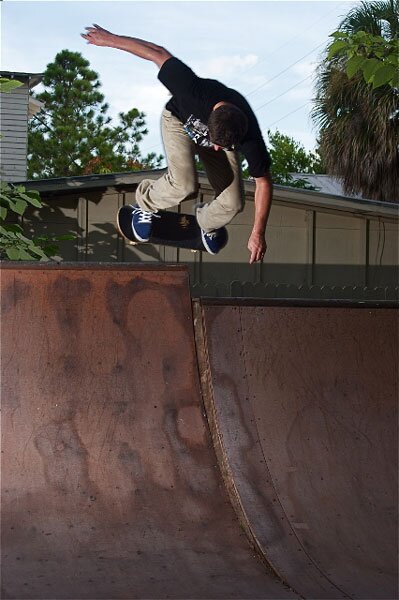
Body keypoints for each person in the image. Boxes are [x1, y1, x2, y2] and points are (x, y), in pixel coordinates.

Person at [82, 24, 273, 263]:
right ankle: (145, 204)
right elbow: (157, 52)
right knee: (184, 185)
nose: (215, 149)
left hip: (220, 132)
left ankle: (205, 223)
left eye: (221, 147)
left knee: (233, 203)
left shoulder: (250, 136)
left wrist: (258, 233)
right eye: (215, 143)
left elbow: (263, 183)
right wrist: (110, 39)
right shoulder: (191, 89)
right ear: (211, 117)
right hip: (178, 122)